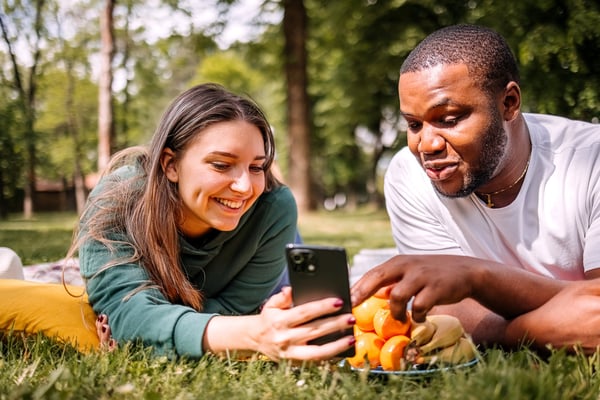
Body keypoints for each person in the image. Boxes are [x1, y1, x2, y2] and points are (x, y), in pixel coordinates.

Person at [351, 24, 600, 353]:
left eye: (450, 118)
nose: (426, 144)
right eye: (413, 124)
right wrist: (523, 333)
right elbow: (446, 307)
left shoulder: (589, 160)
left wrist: (477, 277)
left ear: (509, 103)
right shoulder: (407, 173)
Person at [67, 83, 355, 361]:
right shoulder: (116, 201)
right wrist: (254, 334)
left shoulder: (274, 208)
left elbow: (232, 308)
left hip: (270, 273)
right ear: (171, 165)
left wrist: (155, 322)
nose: (244, 187)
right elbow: (128, 314)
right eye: (221, 164)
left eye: (257, 167)